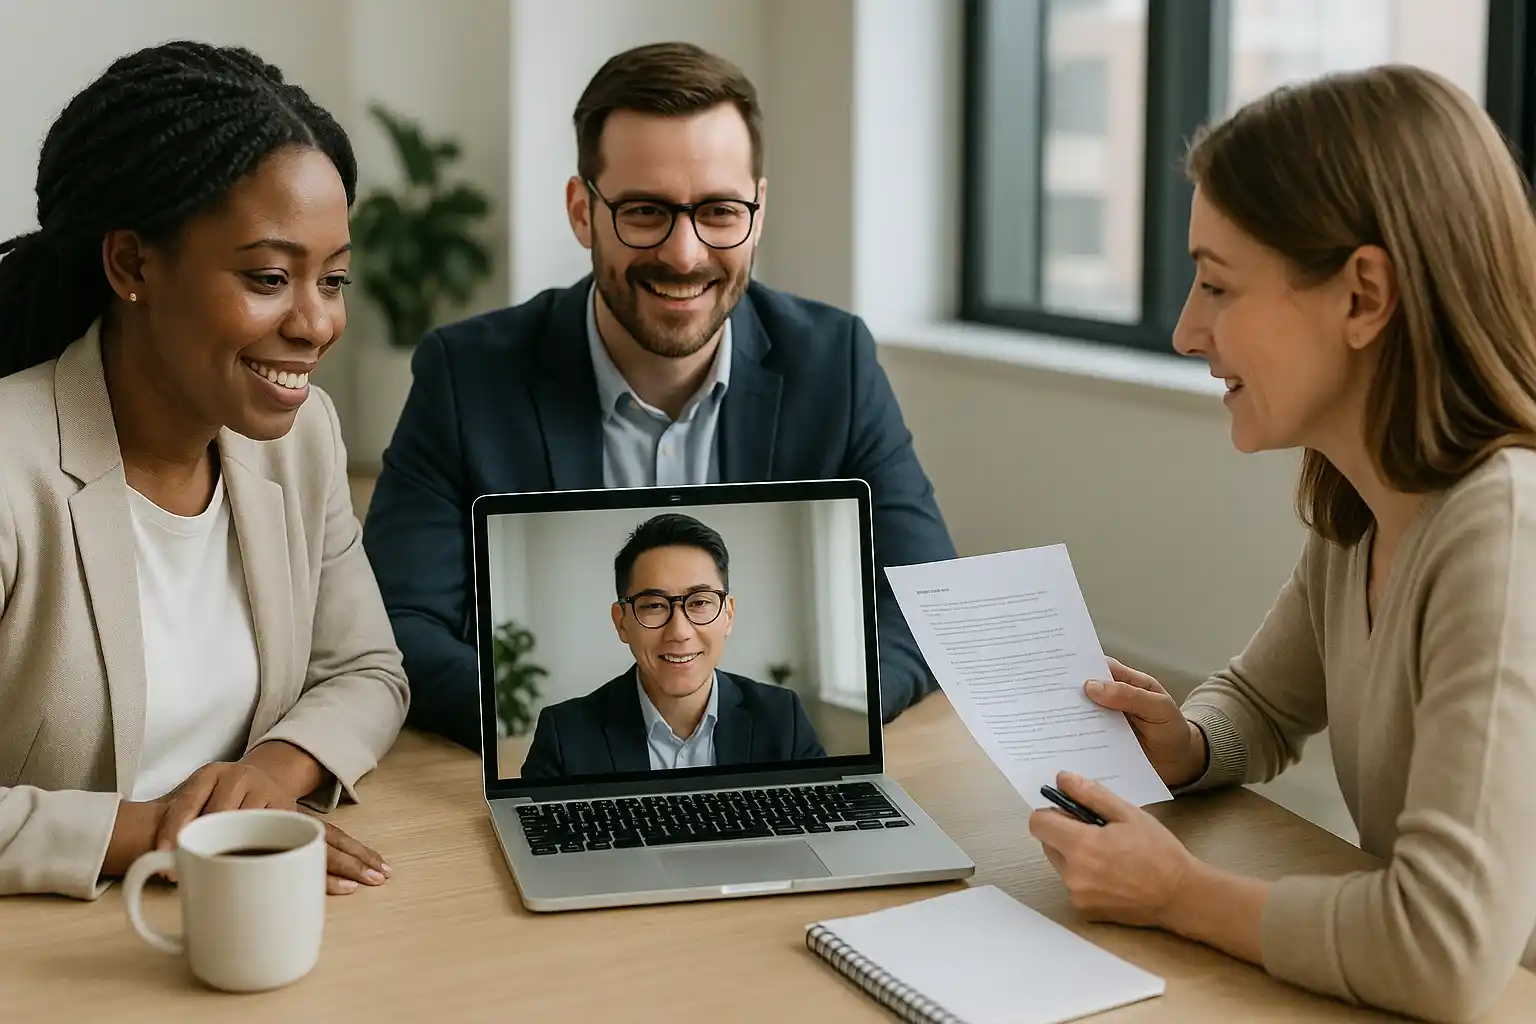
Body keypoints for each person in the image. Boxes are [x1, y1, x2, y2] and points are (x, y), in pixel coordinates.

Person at [1026, 65, 1536, 1022]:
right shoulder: (1369, 504)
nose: (1185, 331)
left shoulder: (1504, 530)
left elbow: (1448, 951)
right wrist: (1185, 743)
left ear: (1363, 295)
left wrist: (1177, 894)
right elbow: (1261, 703)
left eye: (1217, 284)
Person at [362, 41, 955, 752]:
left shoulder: (837, 362)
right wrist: (584, 734)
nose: (685, 253)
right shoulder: (464, 376)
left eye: (718, 211)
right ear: (584, 212)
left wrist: (785, 727)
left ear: (758, 212)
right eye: (645, 212)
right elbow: (402, 624)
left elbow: (928, 606)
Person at [0, 42, 409, 900]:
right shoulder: (11, 467)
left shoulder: (301, 439)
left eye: (332, 278)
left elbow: (365, 668)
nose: (315, 323)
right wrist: (160, 830)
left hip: (243, 907)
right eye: (268, 276)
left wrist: (271, 774)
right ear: (132, 265)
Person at [520, 513, 825, 778]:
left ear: (728, 614)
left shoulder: (783, 717)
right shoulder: (564, 734)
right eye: (653, 605)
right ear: (622, 622)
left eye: (700, 602)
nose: (679, 632)